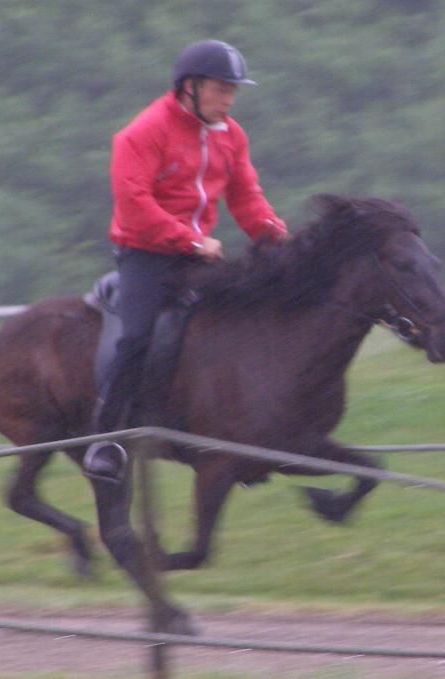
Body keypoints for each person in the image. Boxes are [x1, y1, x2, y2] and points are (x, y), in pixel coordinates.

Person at [83, 39, 288, 483]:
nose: (229, 100)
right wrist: (191, 240)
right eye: (221, 90)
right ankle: (107, 438)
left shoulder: (232, 136)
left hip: (196, 253)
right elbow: (133, 203)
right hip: (146, 254)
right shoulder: (143, 133)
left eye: (233, 91)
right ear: (189, 87)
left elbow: (247, 198)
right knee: (136, 337)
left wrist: (277, 239)